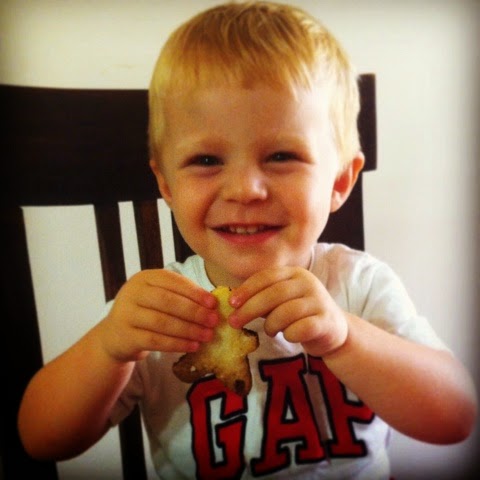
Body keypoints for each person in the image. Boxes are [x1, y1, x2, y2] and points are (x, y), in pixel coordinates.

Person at [18, 2, 477, 479]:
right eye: (206, 160)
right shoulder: (154, 315)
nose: (244, 190)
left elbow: (454, 418)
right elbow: (41, 439)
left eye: (281, 155)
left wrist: (344, 338)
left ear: (340, 181)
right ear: (167, 185)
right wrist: (108, 348)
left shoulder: (359, 287)